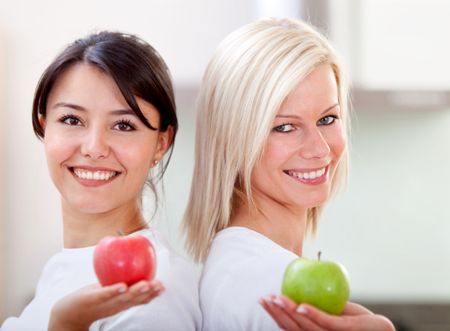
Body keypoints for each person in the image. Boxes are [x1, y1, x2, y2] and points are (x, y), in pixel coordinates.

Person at [183, 18, 395, 331]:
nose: (319, 149)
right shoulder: (275, 290)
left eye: (327, 119)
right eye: (285, 127)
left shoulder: (241, 264)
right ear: (232, 138)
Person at [1, 31, 201, 331]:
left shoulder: (150, 293)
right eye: (72, 120)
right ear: (45, 126)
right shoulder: (63, 267)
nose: (94, 147)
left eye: (123, 125)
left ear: (161, 143)